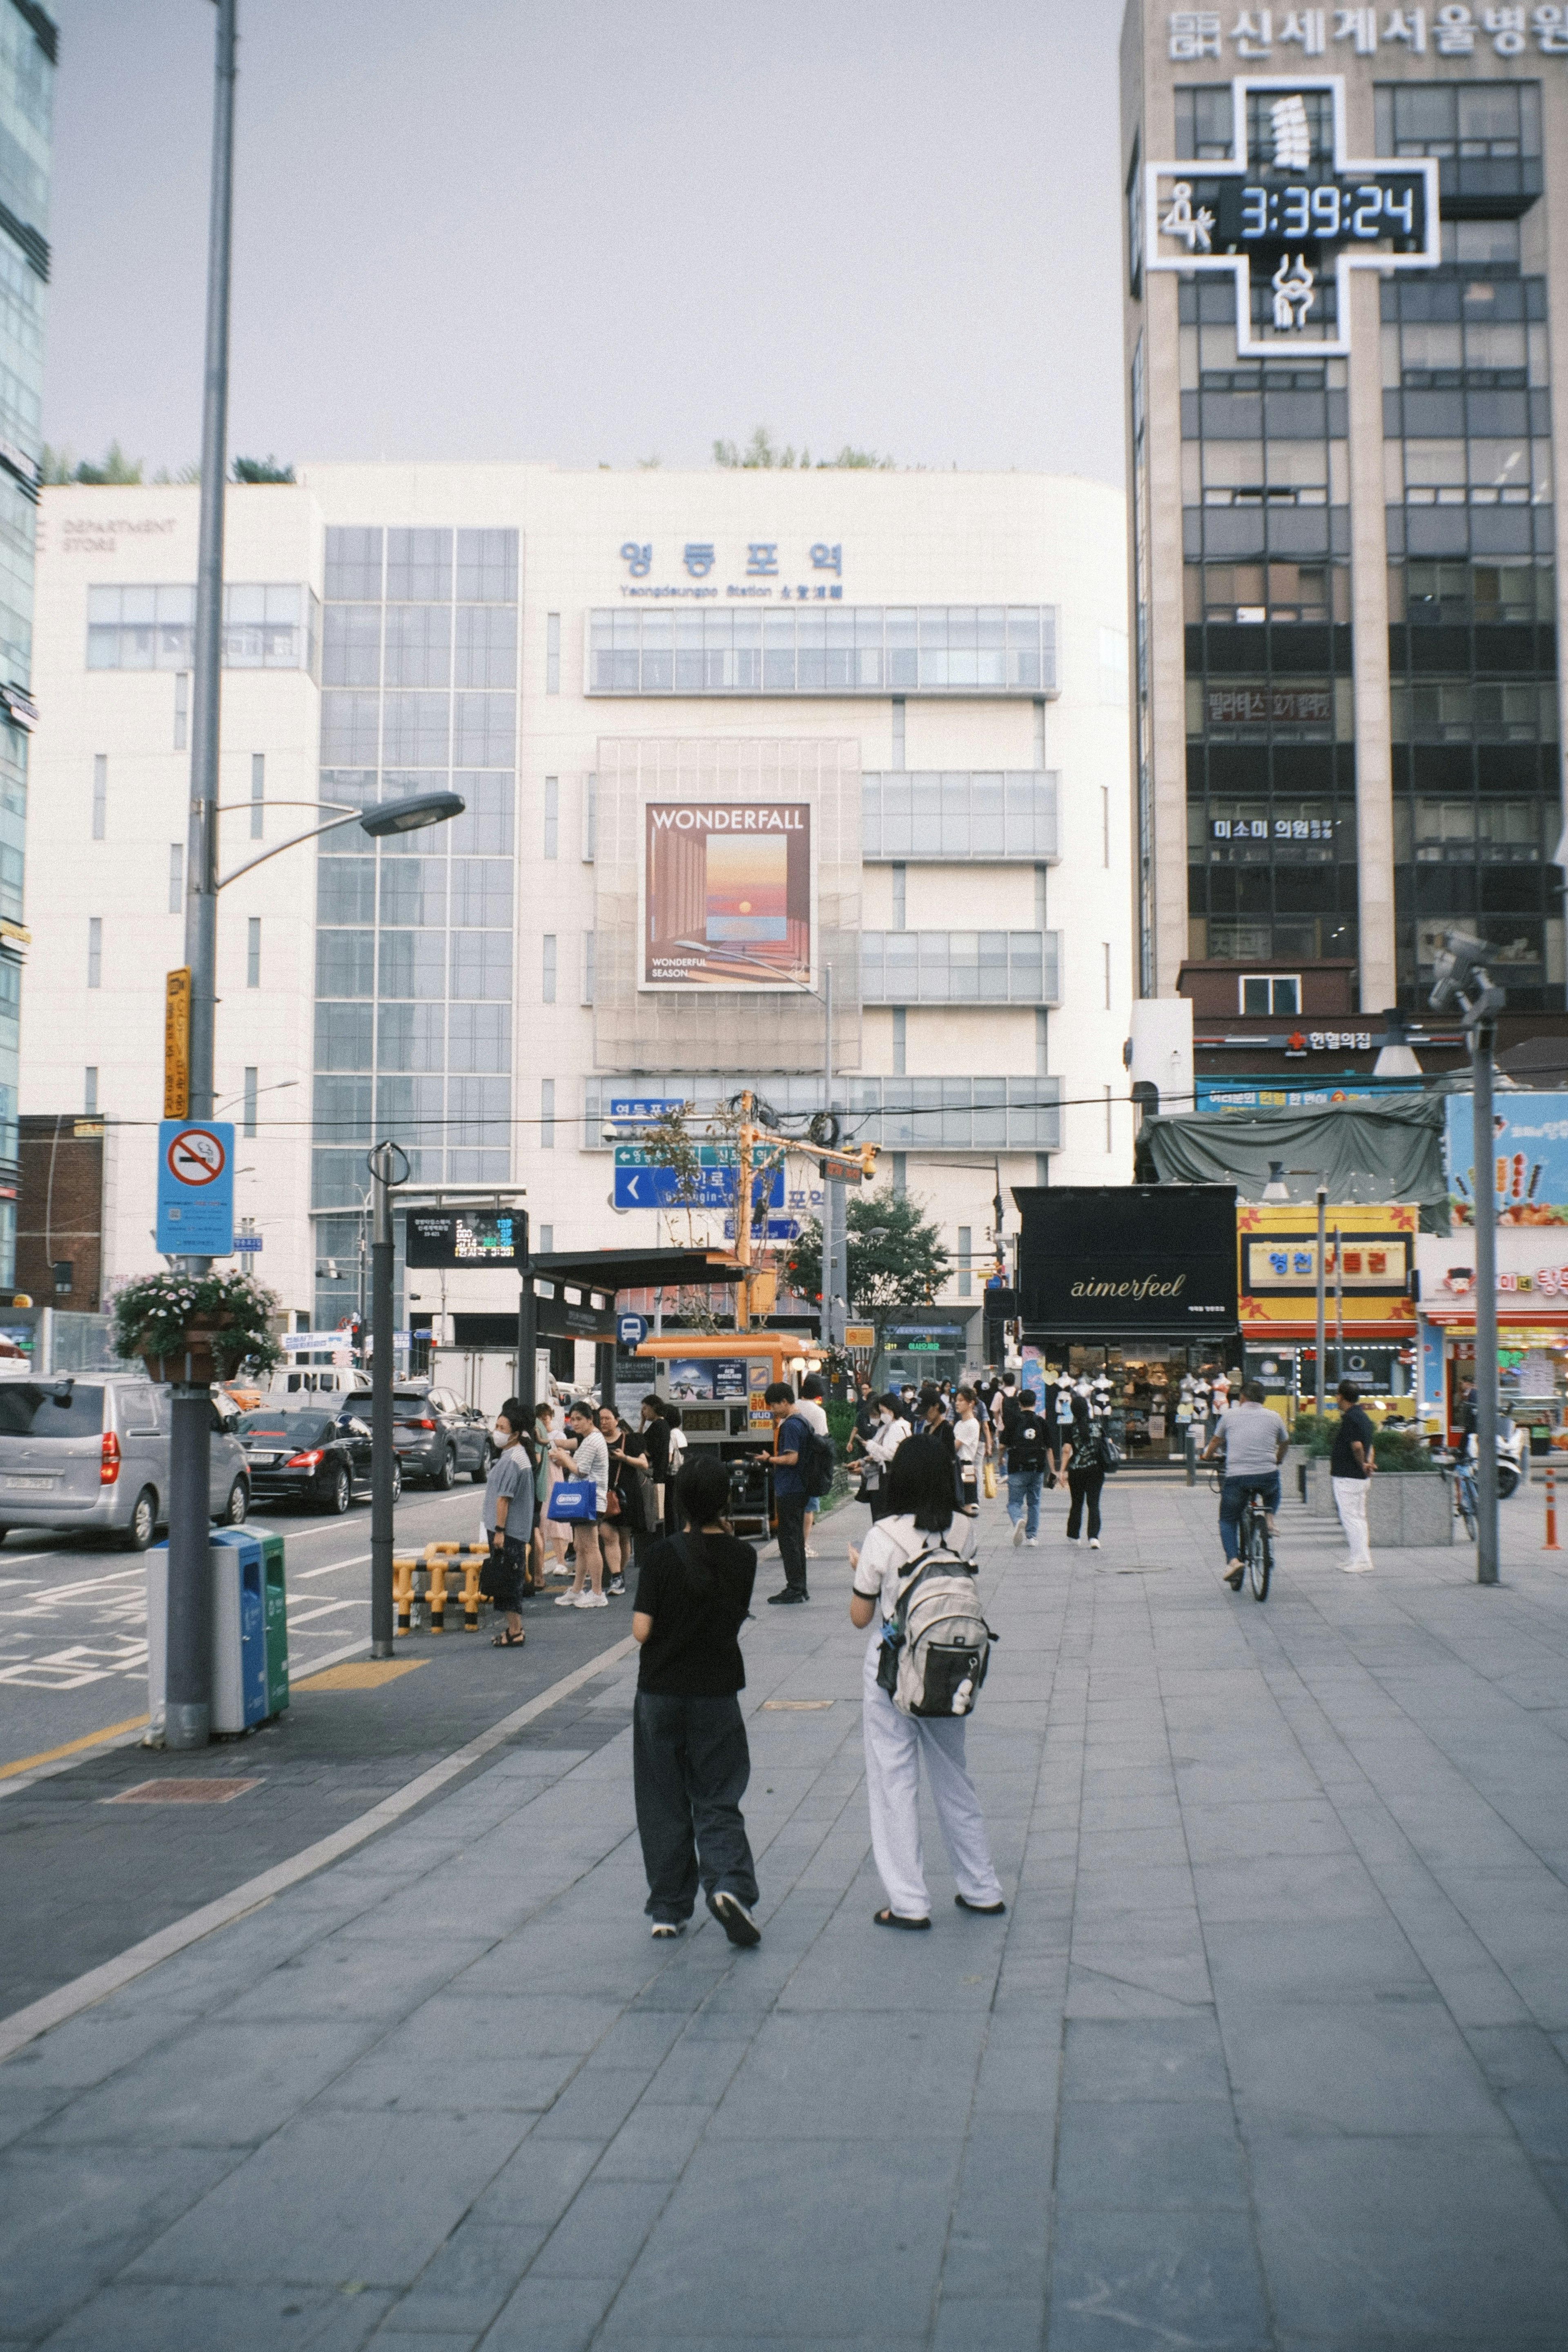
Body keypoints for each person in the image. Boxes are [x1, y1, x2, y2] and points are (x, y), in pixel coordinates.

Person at [848, 1436, 1005, 1929]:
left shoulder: (883, 1534)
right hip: (949, 1666)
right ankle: (981, 1888)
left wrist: (861, 1571)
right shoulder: (966, 1528)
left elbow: (860, 1617)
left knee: (894, 1781)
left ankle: (910, 1903)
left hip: (893, 1669)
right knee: (954, 1776)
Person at [632, 1452, 762, 1946]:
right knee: (718, 1794)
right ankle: (730, 1886)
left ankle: (667, 1908)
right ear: (726, 1499)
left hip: (661, 1693)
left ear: (681, 1500)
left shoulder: (663, 1555)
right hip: (717, 1692)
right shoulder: (744, 1557)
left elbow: (642, 1631)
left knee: (662, 1800)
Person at [1201, 1377, 1289, 1589]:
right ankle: (1269, 1520)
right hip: (1266, 1475)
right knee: (1274, 1491)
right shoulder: (1274, 1417)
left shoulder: (1229, 1416)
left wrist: (1207, 1456)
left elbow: (1215, 1442)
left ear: (1242, 1397)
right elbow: (1285, 1442)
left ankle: (1233, 1561)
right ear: (1264, 1399)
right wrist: (1278, 1458)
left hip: (1238, 1477)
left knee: (1228, 1519)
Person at [481, 1398, 534, 1644]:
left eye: (502, 1428)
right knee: (508, 1579)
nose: (497, 1432)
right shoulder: (515, 1454)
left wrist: (500, 1531)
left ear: (515, 1434)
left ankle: (515, 1632)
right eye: (497, 1426)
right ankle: (513, 1630)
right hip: (512, 1529)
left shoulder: (513, 1459)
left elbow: (504, 1500)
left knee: (509, 1580)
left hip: (509, 1531)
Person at [550, 1400, 609, 1607]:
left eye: (579, 1419)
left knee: (591, 1546)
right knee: (581, 1546)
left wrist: (562, 1457)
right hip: (588, 1499)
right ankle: (577, 1590)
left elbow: (580, 1470)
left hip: (589, 1499)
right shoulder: (591, 1439)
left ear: (590, 1419)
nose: (574, 1423)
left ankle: (597, 1593)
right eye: (572, 1419)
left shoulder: (593, 1440)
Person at [764, 1381, 812, 1604]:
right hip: (799, 1487)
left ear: (785, 1402)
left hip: (790, 1488)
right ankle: (800, 1588)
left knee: (789, 1540)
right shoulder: (802, 1421)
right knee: (795, 1540)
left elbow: (792, 1458)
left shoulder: (791, 1425)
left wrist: (769, 1459)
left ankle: (795, 1588)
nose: (773, 1410)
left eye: (774, 1406)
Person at [1331, 1376, 1377, 1575]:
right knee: (1359, 1518)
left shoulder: (1350, 1418)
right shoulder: (1363, 1417)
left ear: (1341, 1397)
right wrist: (1367, 1465)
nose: (1336, 1399)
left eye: (1337, 1395)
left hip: (1348, 1476)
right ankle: (1360, 1557)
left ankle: (1361, 1560)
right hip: (1359, 1477)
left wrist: (1363, 1464)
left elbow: (1357, 1446)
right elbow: (1370, 1446)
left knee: (1351, 1519)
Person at [1005, 1388, 1051, 1548]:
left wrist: (999, 1460)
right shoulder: (1041, 1422)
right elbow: (1050, 1448)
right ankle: (1032, 1537)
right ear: (1035, 1403)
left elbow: (1003, 1444)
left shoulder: (1013, 1421)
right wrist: (1053, 1471)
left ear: (1019, 1404)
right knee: (1034, 1503)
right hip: (1037, 1468)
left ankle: (1018, 1519)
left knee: (1014, 1503)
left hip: (1017, 1467)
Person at [795, 1375, 831, 1559]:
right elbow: (824, 1439)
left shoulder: (793, 1407)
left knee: (794, 1508)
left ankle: (791, 1545)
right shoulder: (818, 1413)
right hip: (811, 1464)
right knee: (809, 1508)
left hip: (791, 1462)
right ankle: (803, 1545)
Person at [863, 1392, 912, 1523]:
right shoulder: (897, 1426)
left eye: (883, 1411)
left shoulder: (897, 1427)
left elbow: (892, 1454)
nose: (882, 1415)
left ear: (891, 1410)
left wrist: (872, 1446)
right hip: (892, 1474)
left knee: (885, 1517)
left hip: (890, 1475)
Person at [953, 1385, 984, 1514]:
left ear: (971, 1403)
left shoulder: (972, 1424)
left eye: (961, 1400)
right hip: (959, 1465)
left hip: (966, 1466)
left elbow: (955, 1446)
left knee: (966, 1503)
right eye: (956, 1400)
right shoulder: (960, 1424)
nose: (957, 1403)